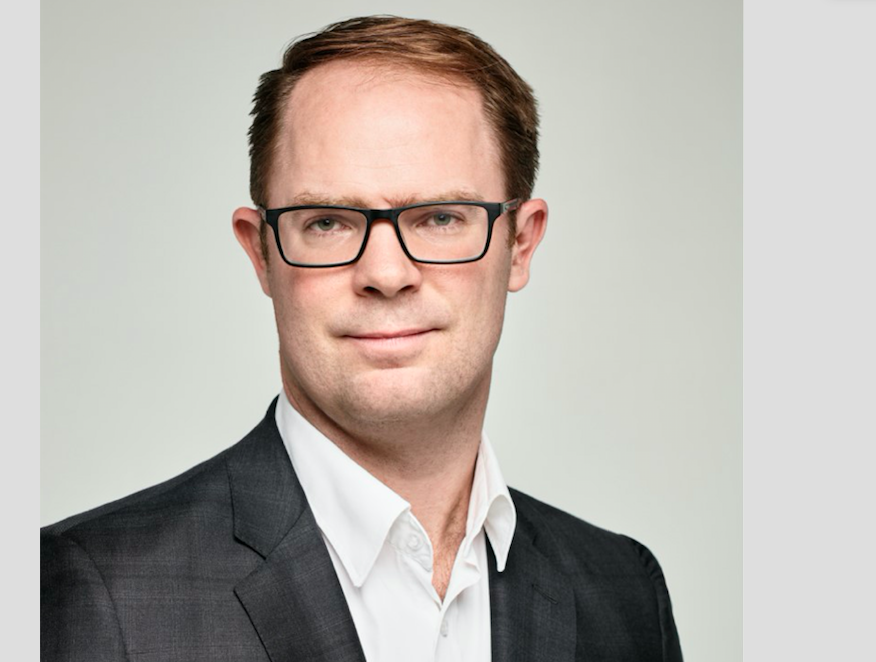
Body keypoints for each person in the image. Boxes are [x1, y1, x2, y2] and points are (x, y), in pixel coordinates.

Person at [41, 15, 682, 662]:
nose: (386, 274)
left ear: (520, 244)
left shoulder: (623, 594)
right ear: (261, 253)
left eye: (440, 217)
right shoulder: (94, 589)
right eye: (326, 222)